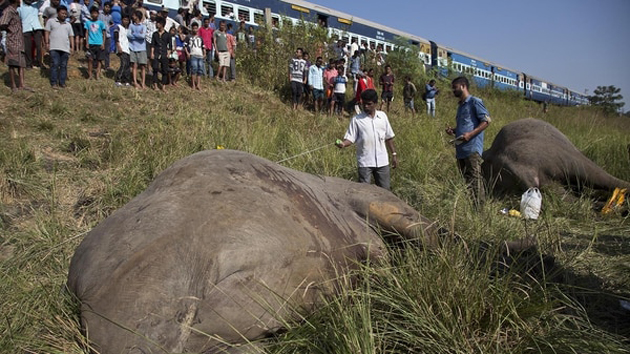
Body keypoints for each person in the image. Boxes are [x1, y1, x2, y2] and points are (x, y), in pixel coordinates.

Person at [336, 88, 398, 190]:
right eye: (364, 104)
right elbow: (350, 138)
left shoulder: (383, 117)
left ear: (376, 103)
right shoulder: (357, 120)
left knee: (385, 191)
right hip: (365, 162)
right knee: (365, 192)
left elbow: (388, 137)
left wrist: (394, 154)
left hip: (382, 162)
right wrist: (343, 144)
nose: (365, 106)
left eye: (369, 104)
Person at [445, 76, 491, 207]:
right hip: (461, 150)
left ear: (463, 86)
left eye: (455, 87)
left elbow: (487, 121)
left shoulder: (474, 102)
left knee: (475, 181)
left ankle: (480, 210)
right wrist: (454, 131)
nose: (453, 90)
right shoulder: (460, 106)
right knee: (467, 182)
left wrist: (470, 134)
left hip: (471, 149)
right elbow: (465, 126)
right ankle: (472, 207)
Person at [45, 4, 74, 88]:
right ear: (58, 13)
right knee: (55, 64)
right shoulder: (51, 21)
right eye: (62, 13)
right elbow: (47, 32)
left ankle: (62, 82)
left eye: (65, 14)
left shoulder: (68, 25)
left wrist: (72, 47)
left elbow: (71, 36)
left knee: (64, 66)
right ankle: (54, 82)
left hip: (65, 48)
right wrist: (47, 43)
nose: (64, 15)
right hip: (54, 47)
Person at [0, 0, 27, 92]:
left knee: (21, 64)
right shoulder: (8, 11)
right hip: (12, 41)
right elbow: (2, 23)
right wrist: (10, 31)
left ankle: (22, 85)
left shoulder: (16, 12)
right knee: (12, 63)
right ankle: (13, 85)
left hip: (20, 41)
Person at [18, 0, 44, 68]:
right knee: (27, 47)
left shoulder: (35, 5)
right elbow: (18, 18)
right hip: (26, 28)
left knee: (39, 46)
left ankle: (39, 62)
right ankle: (28, 63)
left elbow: (42, 0)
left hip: (36, 27)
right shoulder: (20, 7)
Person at [84, 6, 107, 80]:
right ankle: (90, 75)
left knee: (99, 60)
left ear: (98, 14)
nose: (94, 15)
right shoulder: (88, 23)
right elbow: (86, 33)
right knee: (90, 59)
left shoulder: (101, 23)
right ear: (90, 14)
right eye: (93, 13)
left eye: (96, 13)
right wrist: (87, 42)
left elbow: (104, 34)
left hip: (99, 43)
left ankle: (97, 75)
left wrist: (103, 43)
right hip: (91, 43)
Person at [150, 15, 171, 90]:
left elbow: (170, 45)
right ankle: (155, 85)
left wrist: (168, 53)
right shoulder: (155, 34)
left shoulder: (168, 35)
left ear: (161, 24)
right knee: (155, 69)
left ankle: (163, 86)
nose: (156, 24)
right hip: (156, 52)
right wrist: (152, 53)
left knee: (164, 70)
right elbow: (152, 44)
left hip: (164, 53)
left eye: (158, 23)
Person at [127, 9, 146, 88]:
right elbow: (128, 35)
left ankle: (143, 83)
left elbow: (143, 36)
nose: (133, 16)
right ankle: (135, 82)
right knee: (134, 66)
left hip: (141, 48)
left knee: (143, 67)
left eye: (134, 15)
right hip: (133, 47)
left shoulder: (143, 26)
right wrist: (137, 34)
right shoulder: (131, 25)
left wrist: (134, 34)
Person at [113, 13, 130, 86]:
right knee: (123, 64)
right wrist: (118, 46)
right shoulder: (118, 27)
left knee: (127, 65)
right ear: (122, 20)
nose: (126, 21)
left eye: (127, 20)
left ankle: (125, 80)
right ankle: (118, 79)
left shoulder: (128, 29)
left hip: (127, 49)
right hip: (121, 48)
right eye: (124, 20)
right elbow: (116, 37)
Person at [186, 22, 204, 90]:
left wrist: (204, 53)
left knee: (200, 70)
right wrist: (187, 53)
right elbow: (185, 46)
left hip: (200, 55)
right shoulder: (189, 37)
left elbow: (203, 46)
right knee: (194, 69)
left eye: (196, 28)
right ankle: (193, 84)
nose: (195, 30)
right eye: (193, 28)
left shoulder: (200, 38)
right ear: (192, 29)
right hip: (193, 54)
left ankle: (198, 84)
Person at [97, 1, 112, 70]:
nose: (107, 8)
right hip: (100, 34)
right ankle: (96, 64)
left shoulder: (110, 16)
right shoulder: (99, 14)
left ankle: (107, 65)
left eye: (109, 7)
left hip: (108, 35)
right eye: (106, 7)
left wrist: (109, 27)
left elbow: (112, 23)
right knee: (99, 50)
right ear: (104, 6)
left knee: (107, 51)